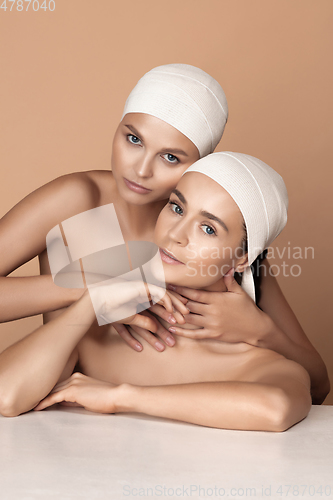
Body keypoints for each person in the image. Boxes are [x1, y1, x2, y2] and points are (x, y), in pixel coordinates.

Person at [0, 64, 329, 405]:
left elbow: (317, 386)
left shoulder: (227, 246)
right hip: (50, 395)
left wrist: (262, 332)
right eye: (133, 139)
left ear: (202, 165)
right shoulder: (77, 202)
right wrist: (92, 287)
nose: (141, 170)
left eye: (170, 157)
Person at [1, 152, 312, 432]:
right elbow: (6, 395)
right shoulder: (105, 330)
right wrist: (92, 302)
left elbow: (275, 409)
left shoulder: (258, 363)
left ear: (243, 258)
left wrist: (121, 397)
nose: (175, 234)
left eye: (208, 229)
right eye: (176, 208)